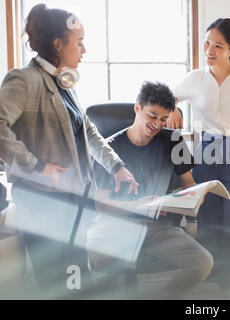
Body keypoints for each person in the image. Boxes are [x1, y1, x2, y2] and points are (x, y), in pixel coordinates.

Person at [0, 4, 138, 298]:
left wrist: (116, 166)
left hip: (73, 204)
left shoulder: (65, 85)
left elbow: (88, 132)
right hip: (44, 205)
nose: (84, 50)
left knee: (76, 283)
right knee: (62, 287)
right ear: (57, 44)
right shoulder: (24, 79)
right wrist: (36, 166)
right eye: (79, 42)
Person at [88, 81, 213, 299]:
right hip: (116, 226)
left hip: (157, 228)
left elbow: (189, 185)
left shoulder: (173, 141)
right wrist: (135, 206)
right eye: (152, 116)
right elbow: (99, 204)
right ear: (137, 108)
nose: (157, 124)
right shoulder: (109, 150)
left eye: (164, 119)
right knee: (78, 259)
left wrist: (194, 198)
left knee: (202, 262)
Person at [167, 18, 230, 295]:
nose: (209, 50)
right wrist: (175, 109)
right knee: (208, 228)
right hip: (205, 156)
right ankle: (214, 291)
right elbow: (167, 97)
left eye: (218, 46)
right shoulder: (195, 78)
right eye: (207, 43)